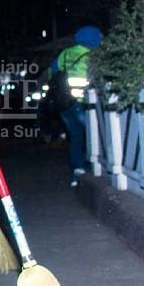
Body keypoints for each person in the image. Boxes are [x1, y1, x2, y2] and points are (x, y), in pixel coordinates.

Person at [49, 25, 102, 187]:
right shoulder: (93, 54)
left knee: (76, 137)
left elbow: (52, 72)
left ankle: (76, 172)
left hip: (65, 103)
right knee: (94, 135)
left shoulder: (66, 53)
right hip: (83, 103)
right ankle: (94, 168)